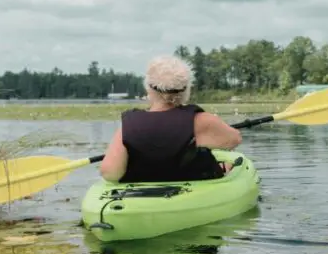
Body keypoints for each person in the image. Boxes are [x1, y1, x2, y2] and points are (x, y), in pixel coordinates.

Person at [99, 55, 242, 183]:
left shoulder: (129, 125)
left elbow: (110, 173)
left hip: (142, 197)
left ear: (149, 89)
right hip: (195, 190)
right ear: (186, 89)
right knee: (227, 164)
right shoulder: (201, 120)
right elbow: (234, 140)